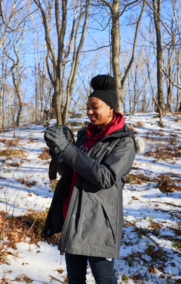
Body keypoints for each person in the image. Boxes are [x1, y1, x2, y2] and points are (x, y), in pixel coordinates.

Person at [42, 74, 145, 284]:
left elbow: (105, 177)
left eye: (95, 107)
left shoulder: (124, 142)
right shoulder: (83, 137)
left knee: (104, 280)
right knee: (75, 280)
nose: (89, 112)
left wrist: (67, 149)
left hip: (98, 226)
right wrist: (57, 152)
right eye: (87, 107)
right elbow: (70, 173)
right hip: (72, 219)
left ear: (110, 108)